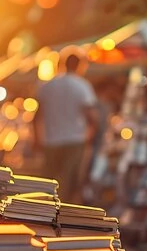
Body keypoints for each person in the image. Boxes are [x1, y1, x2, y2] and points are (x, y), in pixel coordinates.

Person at [33, 47, 99, 203]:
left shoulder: (47, 86)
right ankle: (63, 217)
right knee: (69, 184)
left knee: (49, 185)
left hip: (50, 141)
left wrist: (37, 139)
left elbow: (36, 117)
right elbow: (92, 117)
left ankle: (46, 214)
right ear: (80, 65)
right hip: (74, 141)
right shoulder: (82, 86)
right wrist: (90, 137)